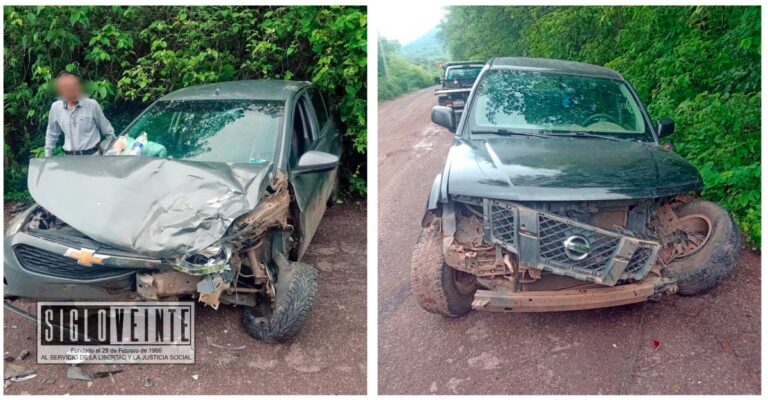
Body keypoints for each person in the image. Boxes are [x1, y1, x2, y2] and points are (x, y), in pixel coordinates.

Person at [44, 72, 115, 157]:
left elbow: (109, 132)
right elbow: (52, 133)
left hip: (93, 156)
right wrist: (47, 157)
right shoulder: (56, 107)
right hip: (70, 159)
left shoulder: (92, 105)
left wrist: (111, 152)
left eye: (76, 85)